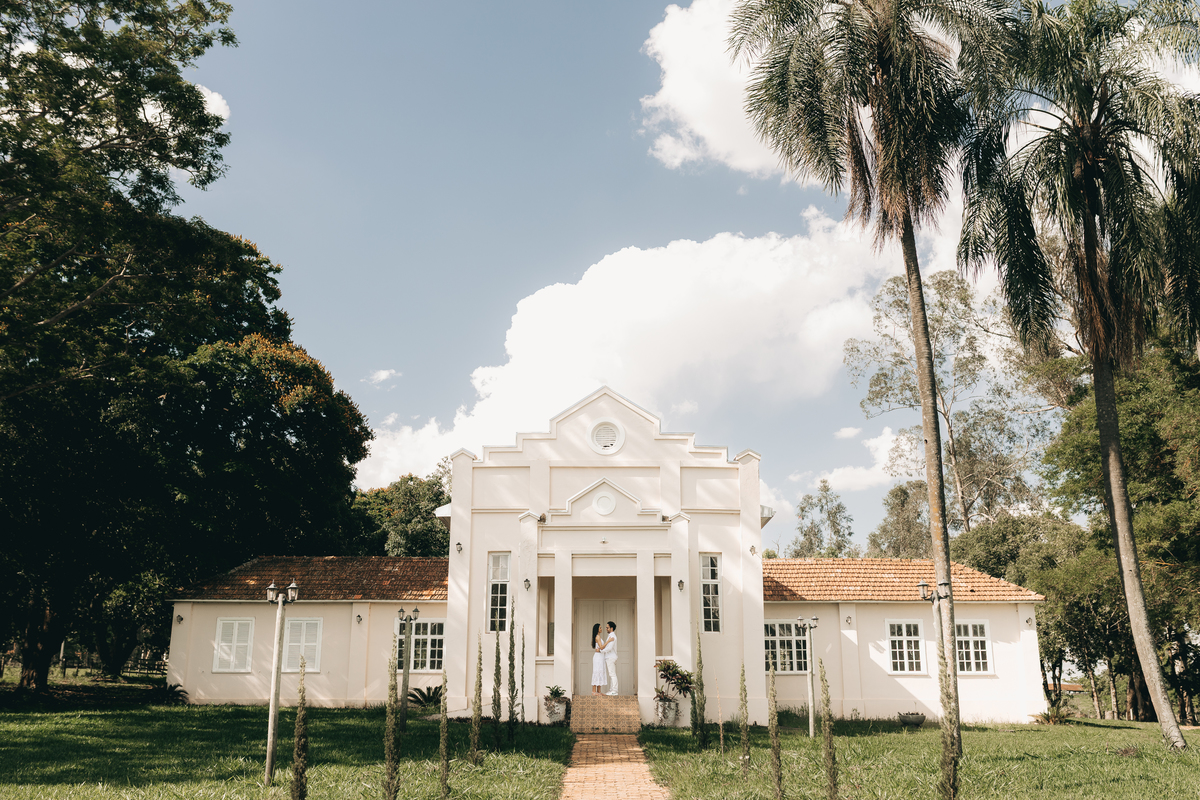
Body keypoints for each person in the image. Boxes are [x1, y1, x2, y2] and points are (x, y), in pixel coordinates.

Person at [590, 623, 607, 695]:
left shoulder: (599, 637)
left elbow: (600, 648)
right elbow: (601, 647)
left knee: (600, 671)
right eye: (600, 628)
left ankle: (599, 691)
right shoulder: (597, 637)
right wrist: (608, 641)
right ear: (597, 629)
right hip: (598, 657)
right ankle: (594, 691)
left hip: (600, 656)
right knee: (597, 671)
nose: (601, 629)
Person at [602, 621, 618, 696]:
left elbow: (609, 648)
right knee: (611, 674)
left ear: (611, 628)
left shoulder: (612, 636)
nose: (606, 629)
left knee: (612, 674)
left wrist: (601, 651)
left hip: (611, 657)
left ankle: (614, 690)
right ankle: (612, 690)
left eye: (607, 627)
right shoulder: (610, 636)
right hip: (609, 657)